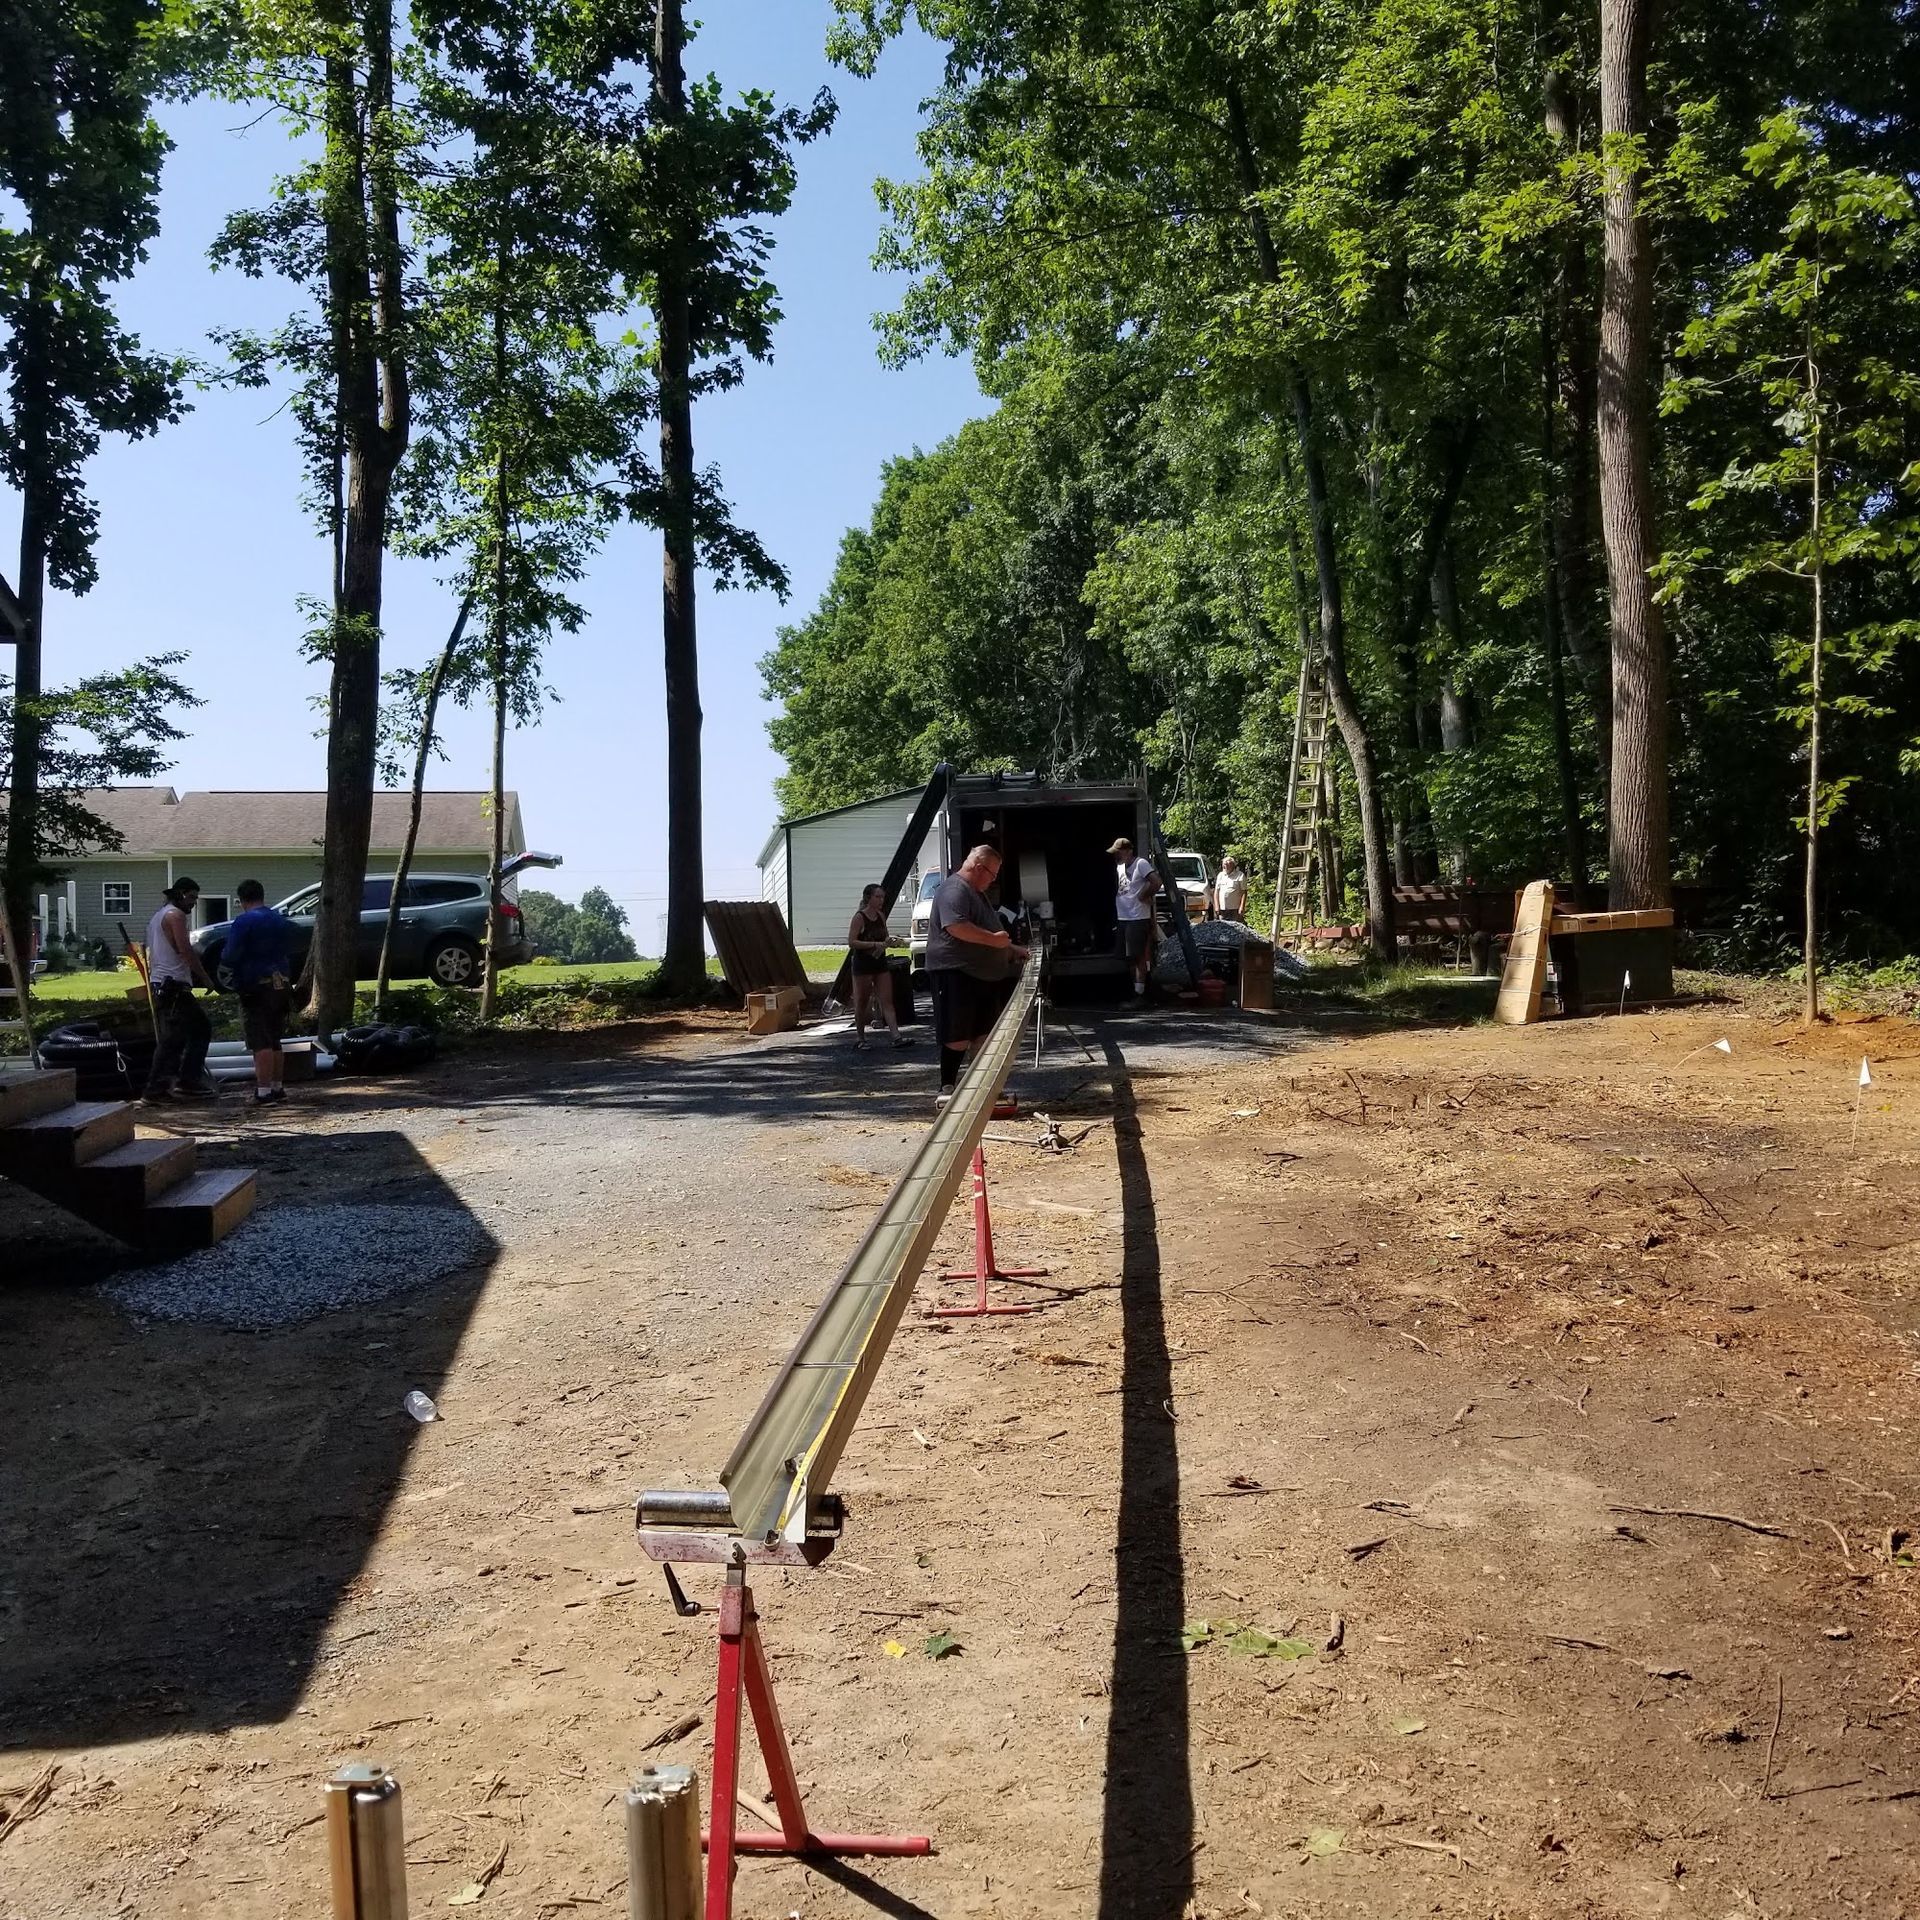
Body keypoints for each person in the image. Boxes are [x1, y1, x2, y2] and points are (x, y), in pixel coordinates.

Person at [925, 844, 1028, 1104]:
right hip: (956, 972)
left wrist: (1012, 949)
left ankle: (981, 1090)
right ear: (979, 867)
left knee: (984, 1035)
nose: (993, 880)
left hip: (981, 976)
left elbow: (988, 931)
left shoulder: (975, 892)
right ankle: (947, 1087)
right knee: (958, 1035)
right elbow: (957, 927)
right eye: (992, 874)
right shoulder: (954, 889)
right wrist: (995, 941)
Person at [143, 877, 218, 1103]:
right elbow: (185, 950)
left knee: (174, 1038)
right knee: (200, 1029)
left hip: (162, 983)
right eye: (192, 897)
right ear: (181, 894)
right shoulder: (175, 916)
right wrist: (205, 978)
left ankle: (163, 1087)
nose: (194, 903)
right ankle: (185, 1083)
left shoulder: (158, 916)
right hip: (173, 985)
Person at [223, 878, 298, 1103]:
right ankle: (277, 1087)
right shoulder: (280, 920)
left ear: (242, 899)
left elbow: (230, 954)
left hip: (256, 984)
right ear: (261, 895)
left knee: (260, 1039)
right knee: (275, 1038)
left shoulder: (244, 921)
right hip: (281, 982)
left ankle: (263, 1092)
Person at [847, 882, 909, 1050]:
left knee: (887, 1001)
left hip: (880, 963)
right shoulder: (859, 917)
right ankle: (860, 1039)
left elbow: (885, 937)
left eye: (882, 897)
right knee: (861, 1002)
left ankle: (896, 1036)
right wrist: (874, 944)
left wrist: (889, 942)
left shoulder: (880, 916)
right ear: (869, 898)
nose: (881, 900)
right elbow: (851, 942)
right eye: (877, 897)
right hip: (863, 965)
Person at [1108, 836, 1160, 997]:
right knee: (1129, 958)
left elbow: (1156, 882)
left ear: (1128, 851)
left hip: (1137, 917)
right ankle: (1135, 990)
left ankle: (1140, 996)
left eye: (1119, 852)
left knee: (1138, 958)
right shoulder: (1120, 866)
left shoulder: (1141, 863)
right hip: (1124, 917)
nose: (1117, 855)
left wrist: (1144, 895)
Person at [1213, 855, 1249, 923]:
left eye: (1227, 864)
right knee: (1223, 928)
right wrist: (1217, 906)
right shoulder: (1220, 875)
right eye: (1224, 864)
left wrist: (1242, 906)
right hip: (1222, 909)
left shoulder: (1240, 875)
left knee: (1236, 928)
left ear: (1232, 865)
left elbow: (1244, 892)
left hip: (1235, 909)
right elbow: (1216, 892)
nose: (1225, 866)